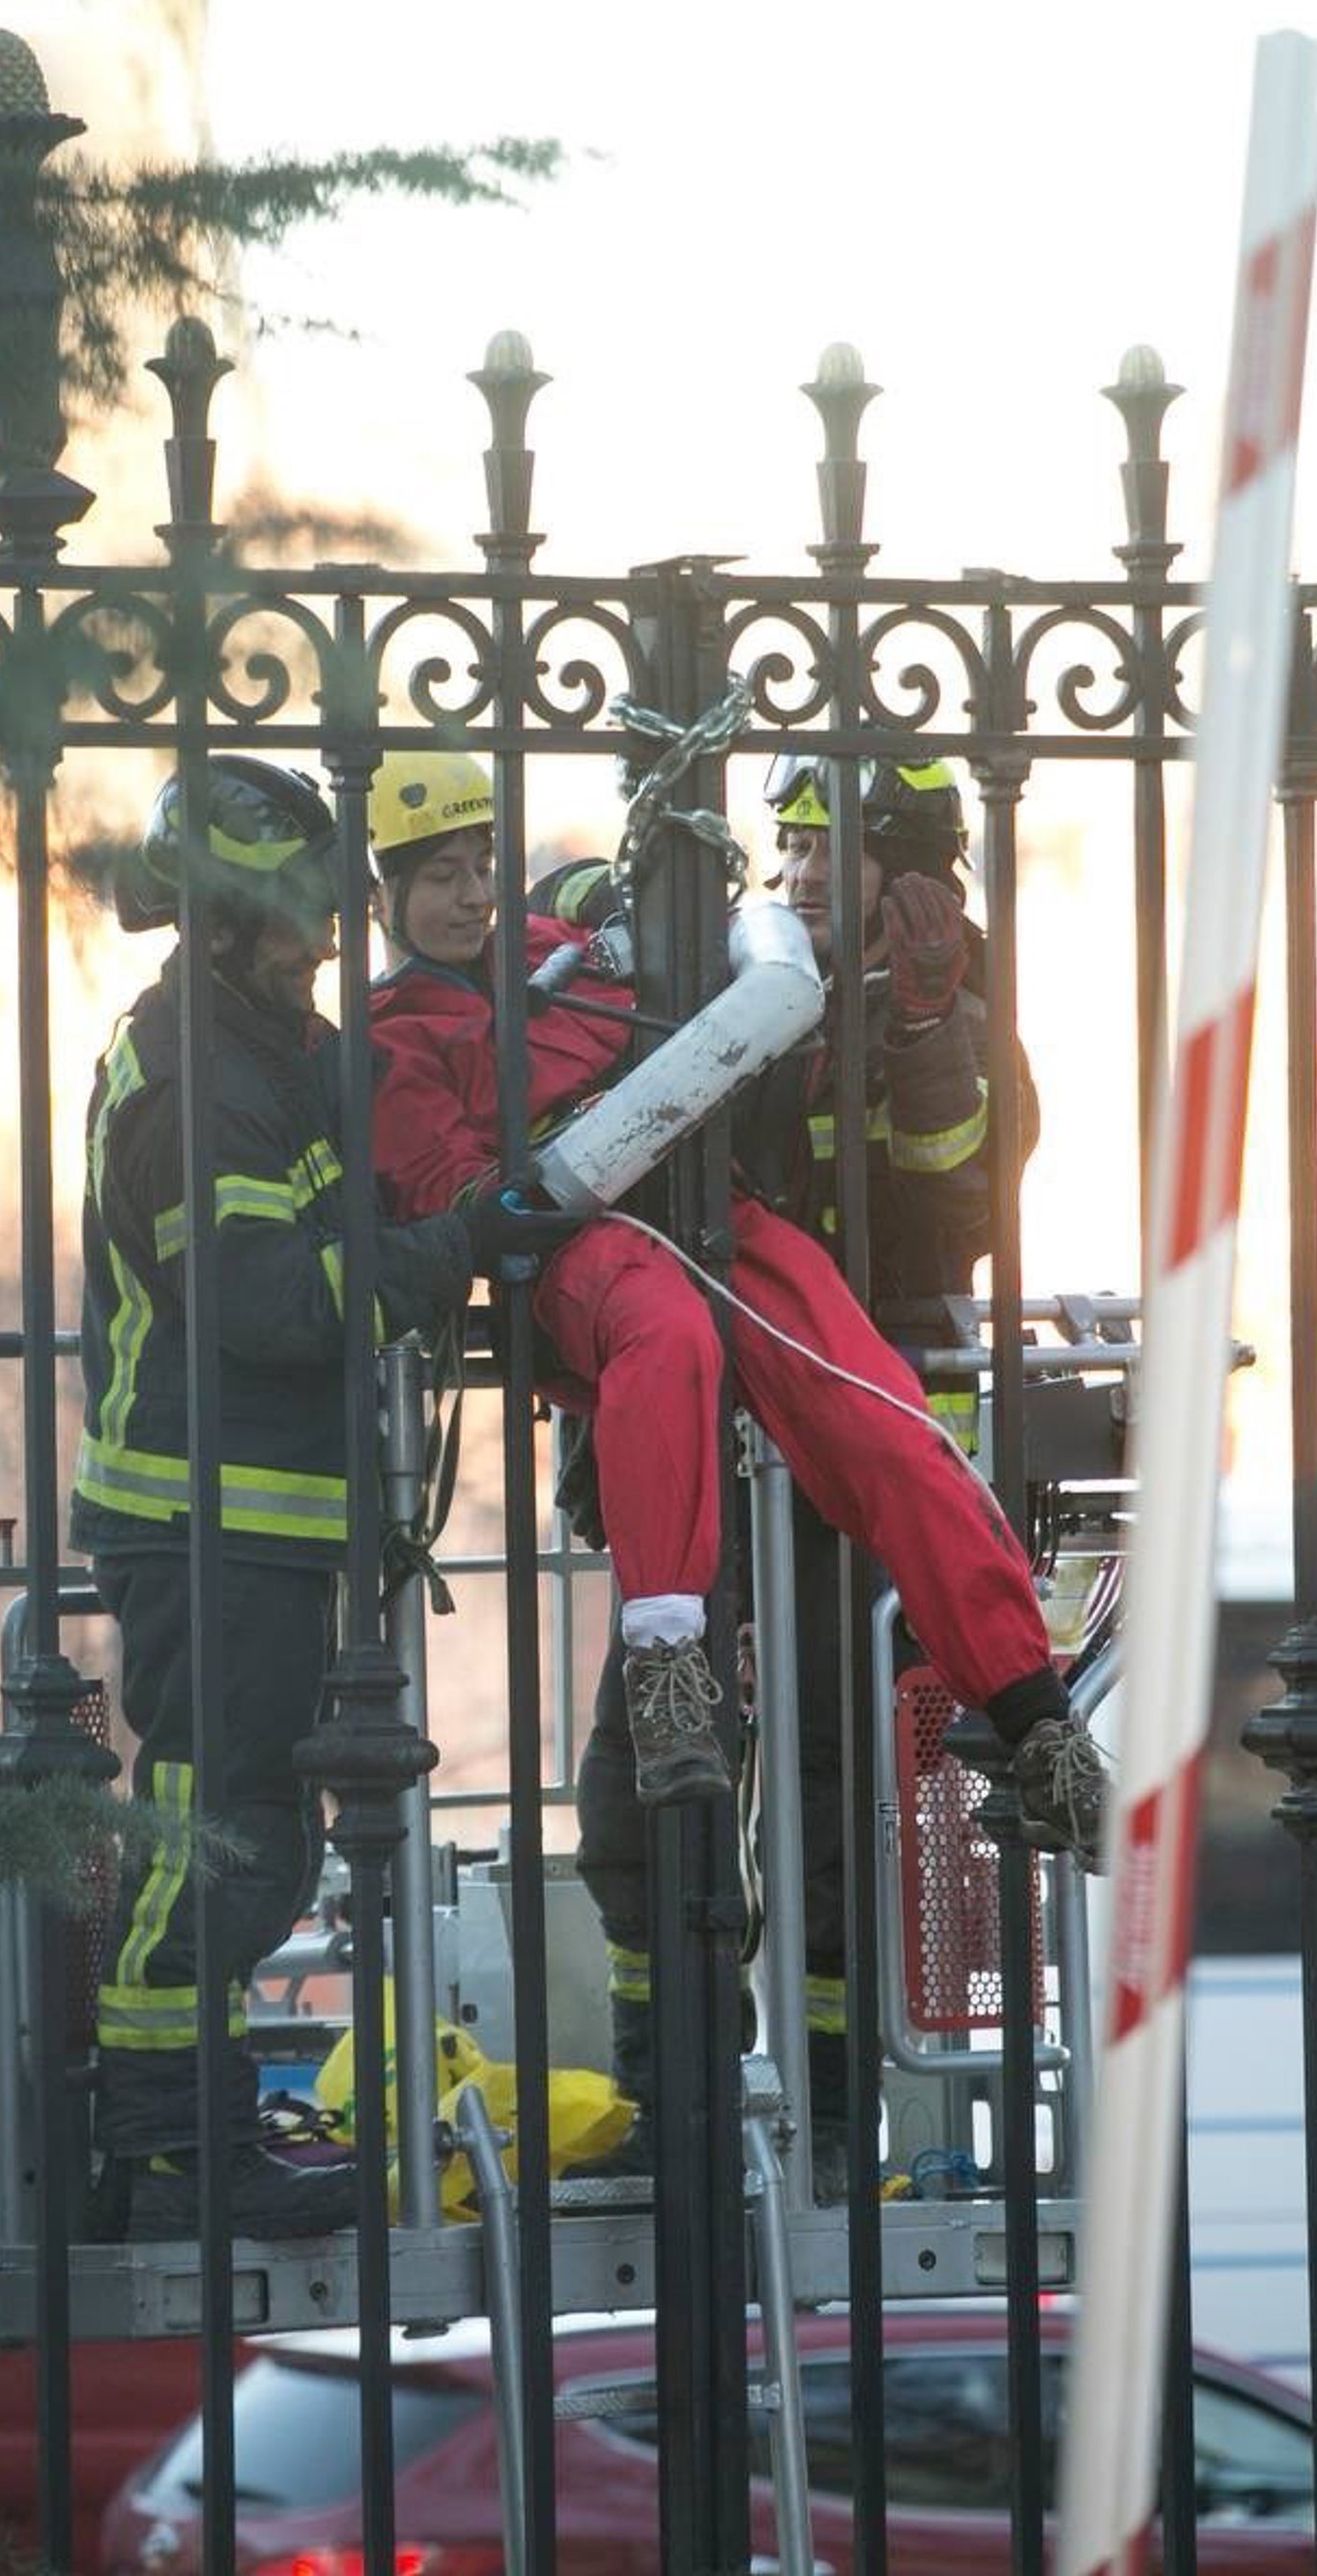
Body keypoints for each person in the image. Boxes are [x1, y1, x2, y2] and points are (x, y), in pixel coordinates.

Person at [365, 746, 1102, 1862]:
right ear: (382, 894)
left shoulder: (577, 954)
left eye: (481, 866)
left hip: (719, 1221)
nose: (472, 895)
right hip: (588, 1248)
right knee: (662, 1331)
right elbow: (441, 1184)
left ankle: (1034, 1718)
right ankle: (668, 1669)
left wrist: (924, 1024)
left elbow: (959, 1187)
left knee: (877, 1412)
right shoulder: (404, 1030)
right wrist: (500, 1203)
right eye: (441, 876)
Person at [72, 755, 575, 2242]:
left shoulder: (277, 1047)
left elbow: (371, 1147)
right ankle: (170, 2152)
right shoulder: (193, 1080)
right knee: (215, 1839)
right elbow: (277, 1303)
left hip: (267, 1522)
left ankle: (200, 2130)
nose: (327, 931)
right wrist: (460, 1242)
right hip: (204, 1522)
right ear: (225, 918)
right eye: (298, 908)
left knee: (257, 1839)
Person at [551, 747, 1045, 2187]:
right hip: (701, 1454)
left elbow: (956, 1207)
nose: (809, 869)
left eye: (841, 843)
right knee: (645, 1781)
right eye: (795, 840)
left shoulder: (961, 1015)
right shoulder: (722, 975)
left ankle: (828, 2127)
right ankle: (670, 2107)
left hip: (848, 1483)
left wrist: (925, 1026)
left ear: (919, 869)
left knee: (833, 1811)